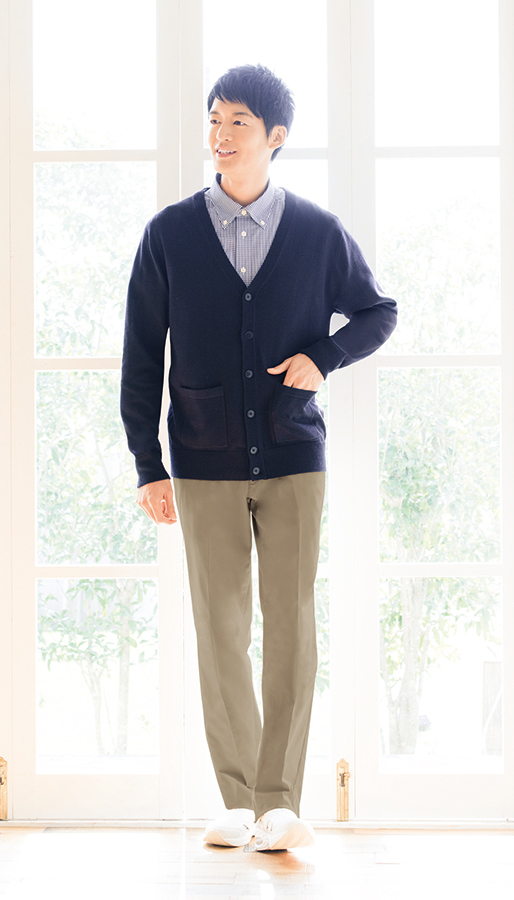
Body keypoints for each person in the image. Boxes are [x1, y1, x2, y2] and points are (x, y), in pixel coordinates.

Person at [120, 63, 397, 851]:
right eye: (213, 119)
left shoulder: (316, 232)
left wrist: (324, 356)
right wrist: (147, 463)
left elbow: (378, 312)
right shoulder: (170, 234)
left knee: (292, 628)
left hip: (294, 455)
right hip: (201, 457)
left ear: (275, 136)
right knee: (219, 629)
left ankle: (280, 802)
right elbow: (141, 355)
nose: (220, 134)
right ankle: (238, 799)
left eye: (237, 121)